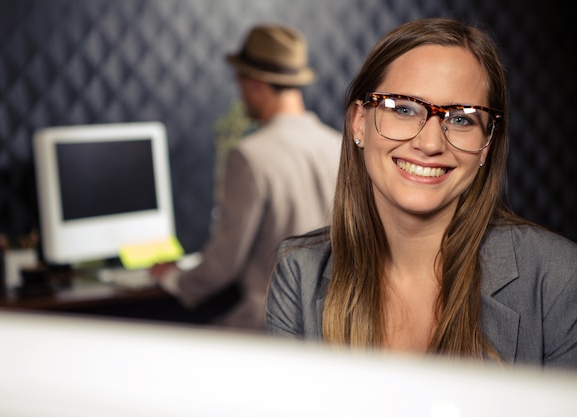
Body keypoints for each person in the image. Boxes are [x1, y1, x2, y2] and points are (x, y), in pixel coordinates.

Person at [265, 17, 577, 369]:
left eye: (461, 119)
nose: (430, 143)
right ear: (358, 123)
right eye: (402, 109)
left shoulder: (560, 278)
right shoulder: (298, 273)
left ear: (486, 144)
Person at [150, 24, 341, 331]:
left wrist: (173, 279)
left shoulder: (250, 156)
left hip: (269, 325)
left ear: (255, 84)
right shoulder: (340, 145)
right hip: (331, 326)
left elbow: (223, 265)